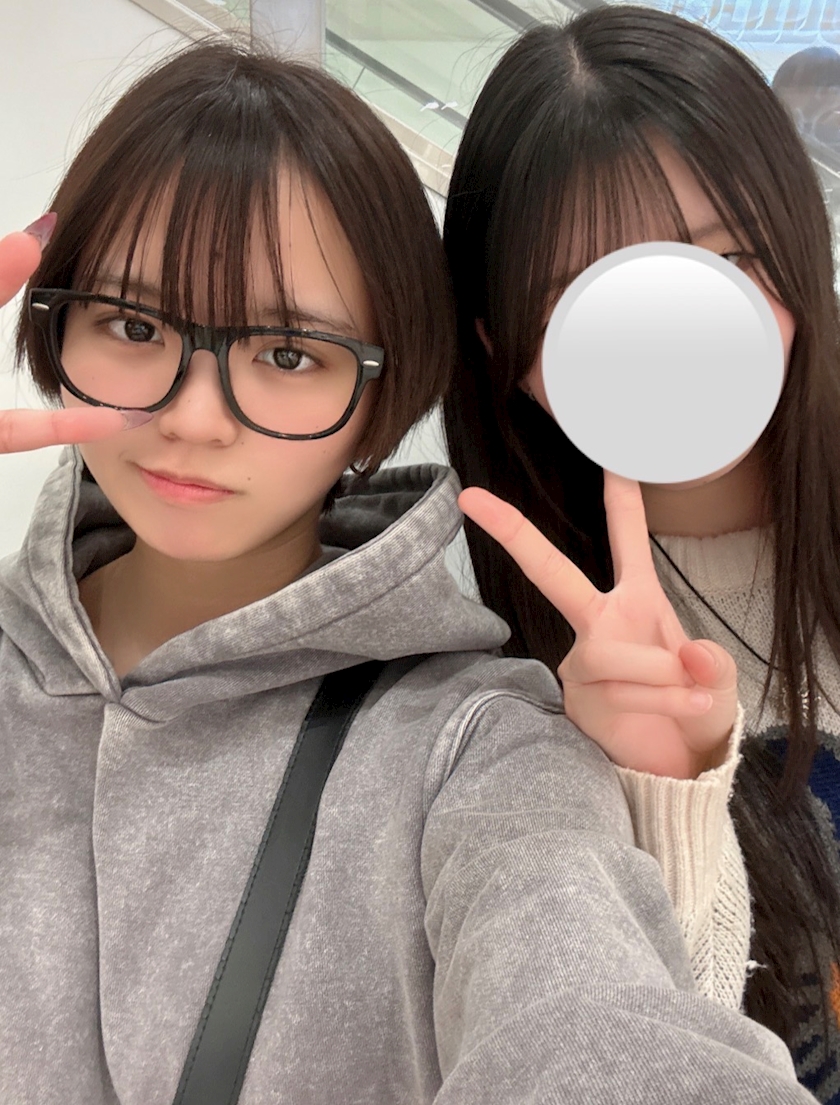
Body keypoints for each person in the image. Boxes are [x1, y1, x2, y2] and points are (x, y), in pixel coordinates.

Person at [1, 32, 822, 1105]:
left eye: (286, 353)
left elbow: (596, 1011)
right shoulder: (525, 612)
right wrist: (661, 788)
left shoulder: (470, 735)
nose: (195, 419)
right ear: (498, 347)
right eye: (132, 322)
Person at [442, 6, 840, 1102]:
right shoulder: (478, 650)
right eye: (592, 296)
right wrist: (664, 788)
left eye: (727, 259)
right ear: (504, 346)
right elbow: (636, 1047)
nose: (674, 329)